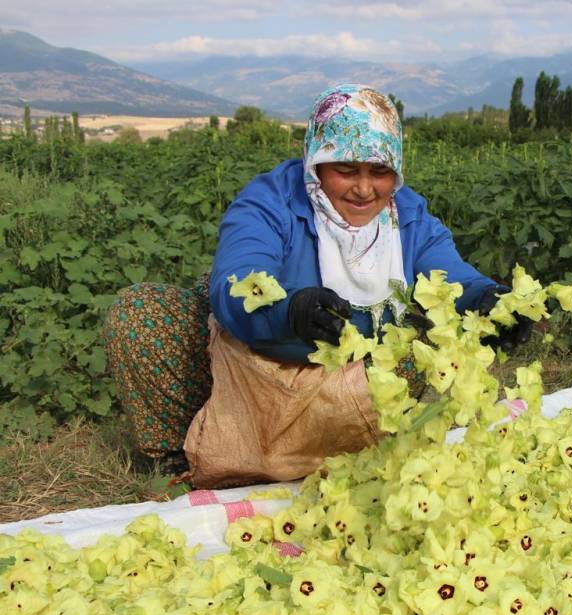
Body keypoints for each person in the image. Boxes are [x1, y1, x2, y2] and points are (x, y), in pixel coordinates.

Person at [104, 84, 531, 476]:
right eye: (346, 170)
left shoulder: (408, 217)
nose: (365, 190)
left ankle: (345, 451)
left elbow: (451, 278)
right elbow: (238, 280)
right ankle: (183, 454)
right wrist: (289, 309)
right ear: (316, 164)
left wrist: (491, 301)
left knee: (415, 344)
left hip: (348, 381)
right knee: (142, 313)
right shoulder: (270, 202)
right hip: (255, 355)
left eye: (379, 171)